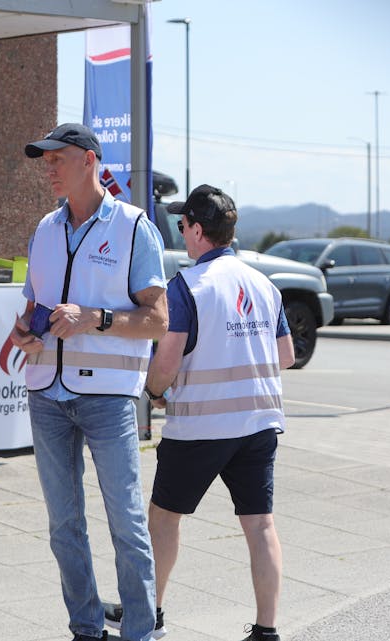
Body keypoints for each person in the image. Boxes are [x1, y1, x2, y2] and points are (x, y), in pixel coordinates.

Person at [103, 184, 295, 641]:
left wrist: (152, 389)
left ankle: (149, 613)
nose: (181, 232)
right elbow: (285, 355)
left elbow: (165, 365)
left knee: (164, 519)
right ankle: (266, 630)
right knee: (260, 525)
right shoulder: (265, 285)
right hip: (260, 423)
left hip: (201, 426)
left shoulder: (186, 286)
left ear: (197, 230)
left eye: (183, 224)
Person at [9, 123, 169, 641]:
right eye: (45, 160)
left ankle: (140, 632)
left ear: (90, 160)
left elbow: (157, 321)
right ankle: (85, 629)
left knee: (126, 523)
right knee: (63, 527)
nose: (49, 168)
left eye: (58, 158)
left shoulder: (133, 226)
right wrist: (20, 332)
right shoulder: (44, 229)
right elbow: (35, 307)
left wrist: (94, 319)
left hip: (108, 398)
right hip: (46, 394)